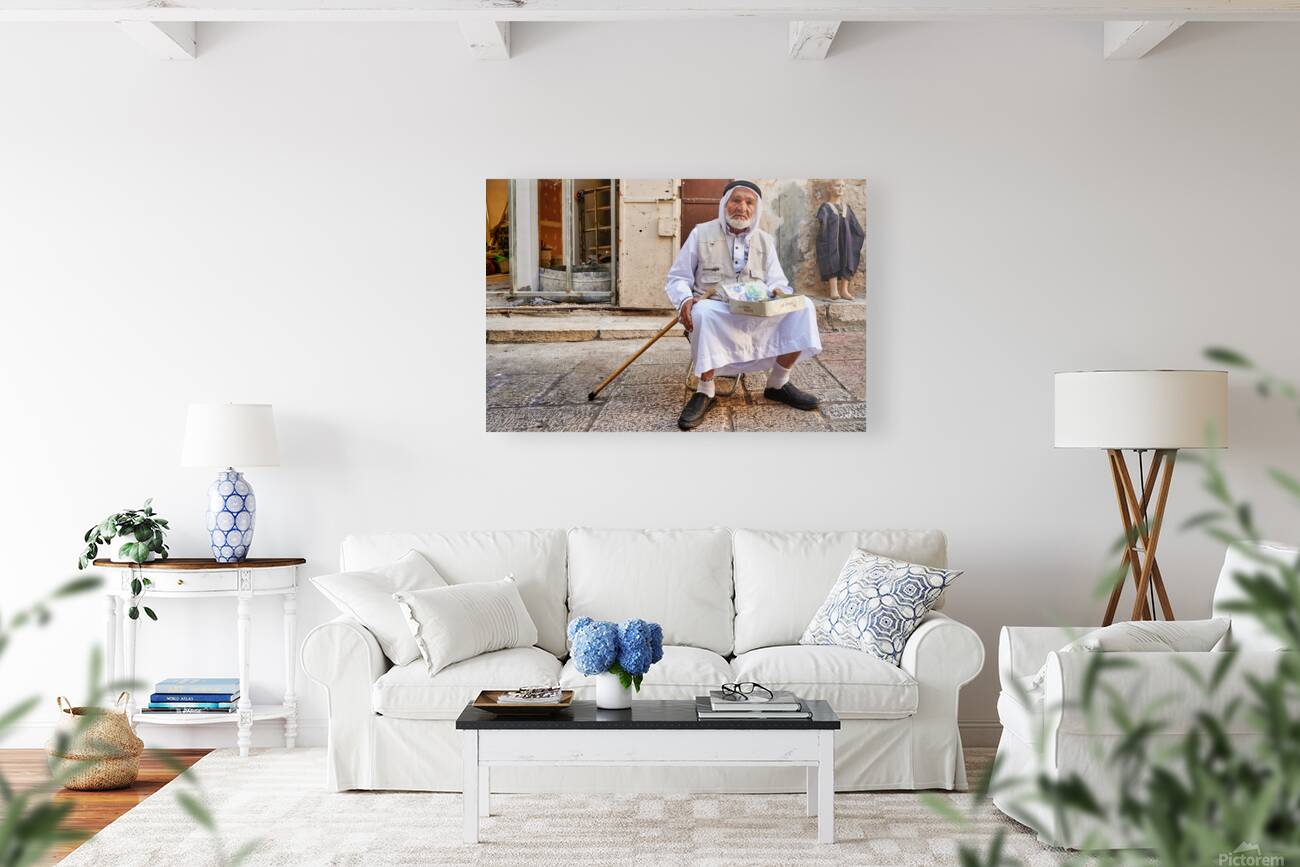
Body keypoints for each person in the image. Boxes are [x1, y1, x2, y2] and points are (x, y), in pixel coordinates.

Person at [665, 180, 823, 430]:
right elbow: (678, 277)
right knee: (703, 312)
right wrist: (684, 299)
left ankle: (778, 383)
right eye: (736, 200)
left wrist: (779, 292)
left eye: (749, 202)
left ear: (756, 209)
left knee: (805, 306)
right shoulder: (700, 233)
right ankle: (705, 390)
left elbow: (777, 281)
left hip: (757, 311)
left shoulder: (765, 240)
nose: (742, 207)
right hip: (718, 309)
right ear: (724, 204)